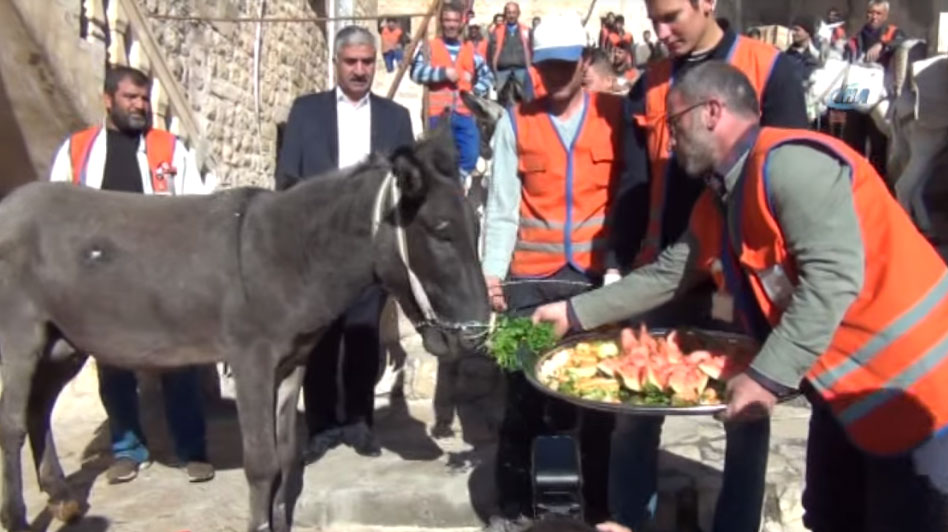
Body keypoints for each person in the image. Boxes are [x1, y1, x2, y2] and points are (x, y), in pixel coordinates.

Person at [535, 60, 948, 532]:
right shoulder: (722, 198)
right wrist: (573, 312)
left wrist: (766, 378)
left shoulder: (792, 166)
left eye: (675, 122)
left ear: (712, 111)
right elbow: (670, 273)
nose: (670, 139)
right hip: (844, 391)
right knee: (832, 517)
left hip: (917, 386)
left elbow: (831, 280)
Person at [607, 0, 808, 530]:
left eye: (672, 15)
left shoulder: (769, 71)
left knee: (745, 414)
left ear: (708, 4)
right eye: (653, 19)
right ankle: (630, 519)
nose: (660, 29)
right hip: (664, 271)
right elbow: (631, 183)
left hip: (742, 277)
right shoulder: (648, 83)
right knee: (634, 405)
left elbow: (795, 176)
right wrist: (617, 264)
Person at [482, 14, 626, 528]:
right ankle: (514, 507)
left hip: (593, 281)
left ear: (585, 62)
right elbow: (502, 206)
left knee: (600, 401)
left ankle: (599, 509)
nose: (557, 75)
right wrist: (492, 274)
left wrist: (620, 269)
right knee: (522, 398)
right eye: (548, 67)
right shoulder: (515, 122)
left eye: (567, 65)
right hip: (531, 281)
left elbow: (629, 198)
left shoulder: (616, 116)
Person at [49, 65, 214, 484]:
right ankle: (127, 448)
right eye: (130, 98)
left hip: (164, 281)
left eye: (144, 98)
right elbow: (55, 215)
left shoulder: (169, 149)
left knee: (180, 364)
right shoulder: (77, 151)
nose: (140, 105)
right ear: (108, 100)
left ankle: (191, 450)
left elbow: (199, 211)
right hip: (104, 284)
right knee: (114, 368)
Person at [276, 26, 414, 461]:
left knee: (363, 335)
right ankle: (321, 425)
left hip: (369, 252)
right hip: (318, 253)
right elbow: (287, 180)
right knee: (318, 340)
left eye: (367, 62)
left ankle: (359, 422)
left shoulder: (395, 119)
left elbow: (408, 187)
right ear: (336, 63)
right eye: (351, 62)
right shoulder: (306, 112)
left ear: (376, 62)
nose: (359, 70)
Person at [410, 2, 493, 183]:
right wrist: (443, 73)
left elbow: (488, 77)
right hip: (437, 114)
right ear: (441, 22)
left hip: (464, 113)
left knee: (470, 154)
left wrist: (475, 91)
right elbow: (415, 73)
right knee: (438, 158)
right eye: (447, 20)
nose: (451, 25)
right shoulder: (429, 48)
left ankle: (458, 183)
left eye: (455, 21)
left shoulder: (471, 50)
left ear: (461, 23)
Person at [842, 0, 906, 176]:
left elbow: (903, 42)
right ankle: (853, 182)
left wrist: (883, 45)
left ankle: (877, 186)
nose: (873, 17)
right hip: (856, 96)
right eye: (871, 12)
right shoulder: (856, 38)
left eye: (878, 13)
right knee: (852, 144)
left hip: (879, 99)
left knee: (878, 146)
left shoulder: (893, 33)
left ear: (885, 15)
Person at [491, 2, 534, 101]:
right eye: (509, 13)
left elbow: (531, 49)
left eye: (514, 13)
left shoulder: (526, 30)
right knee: (496, 97)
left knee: (526, 99)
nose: (511, 15)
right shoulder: (497, 31)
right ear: (505, 14)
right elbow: (490, 52)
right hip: (502, 71)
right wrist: (493, 69)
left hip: (521, 69)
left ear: (518, 13)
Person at [786, 15, 821, 80]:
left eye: (797, 30)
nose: (793, 33)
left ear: (808, 33)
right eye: (793, 29)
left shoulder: (816, 56)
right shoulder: (788, 54)